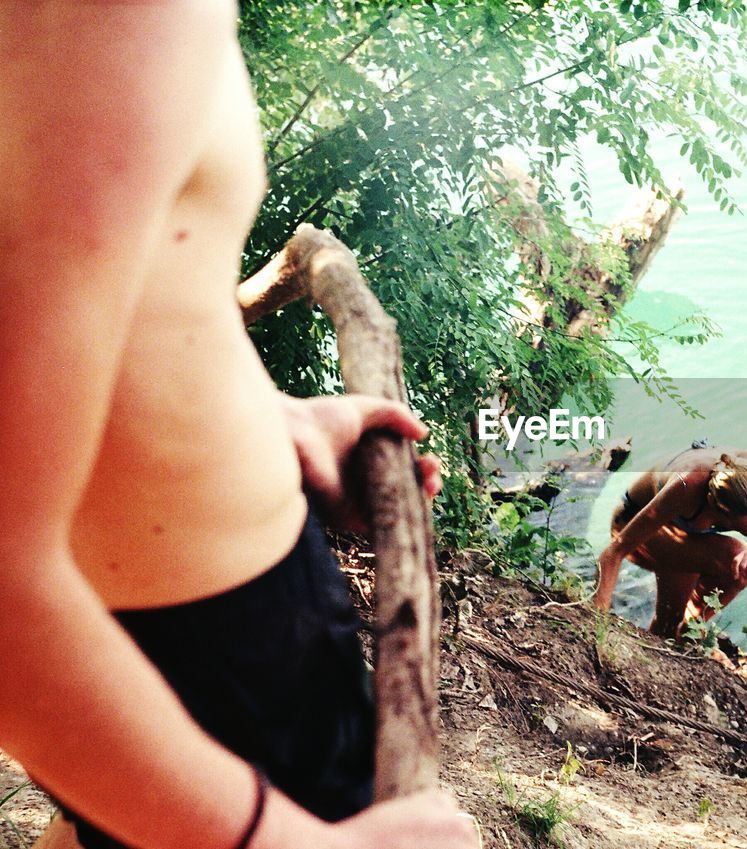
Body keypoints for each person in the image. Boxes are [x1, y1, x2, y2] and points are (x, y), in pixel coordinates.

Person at [1, 6, 478, 849]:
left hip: (170, 624)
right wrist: (300, 844)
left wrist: (268, 420)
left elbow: (134, 294)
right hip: (204, 646)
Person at [592, 444, 747, 637]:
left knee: (669, 626)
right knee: (736, 554)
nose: (746, 533)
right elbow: (615, 551)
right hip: (637, 527)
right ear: (710, 502)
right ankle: (682, 636)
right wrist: (595, 625)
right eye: (731, 527)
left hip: (686, 540)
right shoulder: (689, 483)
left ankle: (688, 635)